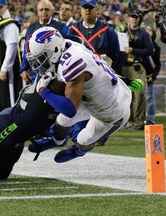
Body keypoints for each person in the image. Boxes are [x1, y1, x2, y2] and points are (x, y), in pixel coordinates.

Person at [26, 27, 132, 163]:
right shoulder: (70, 44)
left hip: (111, 113)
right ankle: (57, 141)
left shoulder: (73, 63)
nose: (39, 64)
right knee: (60, 122)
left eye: (41, 58)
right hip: (97, 97)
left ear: (55, 50)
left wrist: (44, 91)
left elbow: (70, 109)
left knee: (83, 139)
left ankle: (79, 150)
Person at [19, 0, 70, 85]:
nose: (44, 12)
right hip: (36, 72)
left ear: (52, 11)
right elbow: (27, 50)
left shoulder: (61, 27)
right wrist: (23, 69)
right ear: (37, 11)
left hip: (56, 72)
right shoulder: (31, 27)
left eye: (46, 9)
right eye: (41, 10)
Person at [119, 9, 153, 130]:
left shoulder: (144, 34)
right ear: (129, 18)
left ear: (140, 19)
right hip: (125, 66)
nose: (133, 19)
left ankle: (138, 122)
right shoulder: (123, 33)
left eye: (136, 17)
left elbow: (149, 50)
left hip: (138, 67)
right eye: (132, 17)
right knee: (126, 95)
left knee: (139, 95)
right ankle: (127, 121)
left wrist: (133, 51)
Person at [68, 0, 120, 71]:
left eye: (90, 8)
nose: (87, 10)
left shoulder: (107, 29)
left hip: (102, 71)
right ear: (81, 10)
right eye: (85, 7)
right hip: (80, 69)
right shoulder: (73, 29)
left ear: (97, 10)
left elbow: (116, 52)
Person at [145, 25, 161, 125]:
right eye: (146, 30)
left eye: (150, 30)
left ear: (153, 33)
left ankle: (150, 120)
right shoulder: (139, 44)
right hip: (138, 74)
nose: (148, 31)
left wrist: (153, 76)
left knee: (149, 98)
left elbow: (157, 64)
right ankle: (136, 121)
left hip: (148, 76)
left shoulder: (156, 47)